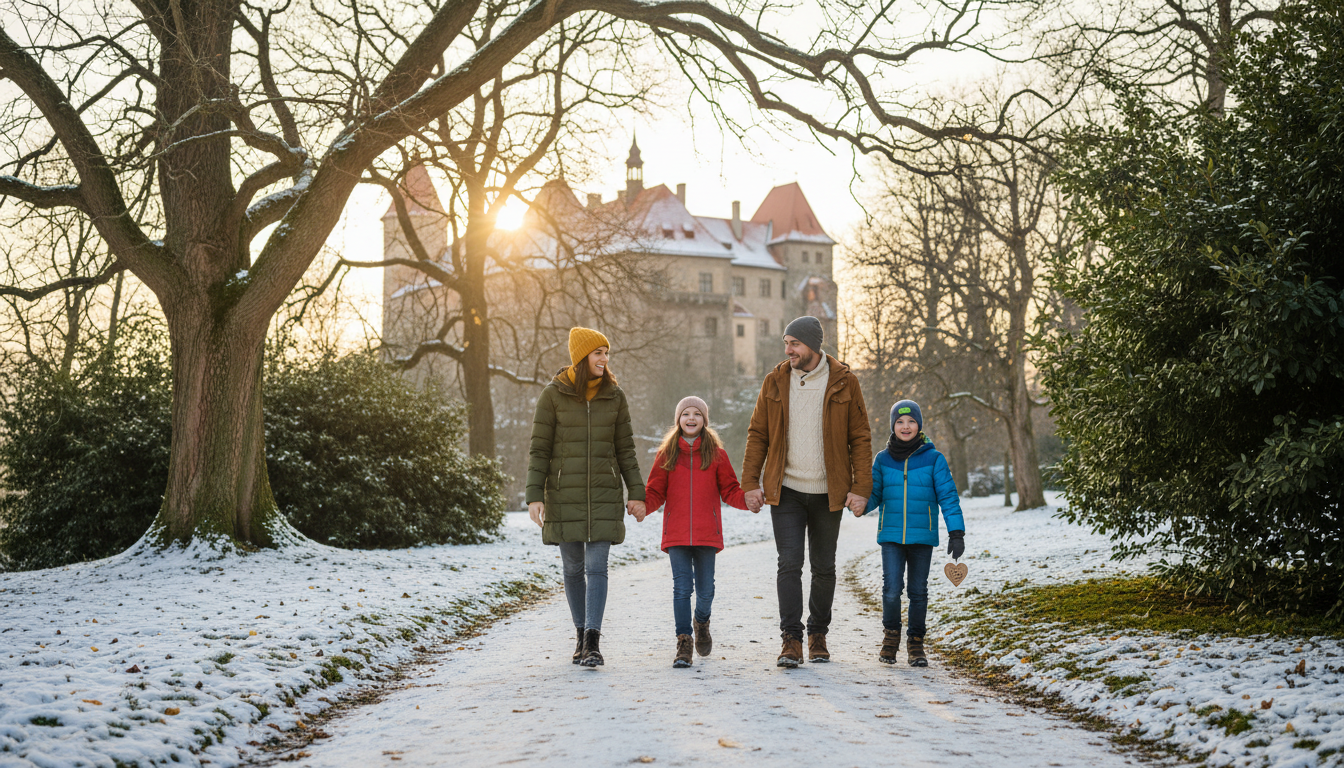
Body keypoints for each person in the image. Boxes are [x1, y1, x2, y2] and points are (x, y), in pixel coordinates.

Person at [741, 316, 872, 668]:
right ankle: (791, 639)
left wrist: (861, 488)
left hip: (829, 491)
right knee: (789, 564)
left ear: (813, 345)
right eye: (786, 343)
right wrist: (751, 483)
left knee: (824, 566)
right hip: (786, 491)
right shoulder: (775, 381)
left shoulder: (845, 382)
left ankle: (817, 634)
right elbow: (758, 434)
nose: (788, 350)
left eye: (794, 343)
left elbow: (860, 437)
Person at [526, 327, 646, 667]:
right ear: (582, 357)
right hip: (564, 494)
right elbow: (539, 449)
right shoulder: (553, 395)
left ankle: (593, 640)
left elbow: (626, 450)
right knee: (573, 568)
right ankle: (580, 634)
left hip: (605, 493)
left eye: (606, 353)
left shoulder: (614, 396)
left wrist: (636, 491)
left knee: (597, 567)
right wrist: (535, 495)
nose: (605, 359)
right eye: (598, 353)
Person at [857, 399, 965, 667]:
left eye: (911, 421)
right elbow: (874, 496)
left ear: (919, 425)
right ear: (893, 426)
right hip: (891, 536)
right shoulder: (882, 460)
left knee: (918, 591)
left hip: (922, 536)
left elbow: (948, 497)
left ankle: (916, 643)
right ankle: (891, 637)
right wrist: (855, 504)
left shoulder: (934, 459)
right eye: (900, 422)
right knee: (892, 589)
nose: (906, 426)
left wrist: (957, 532)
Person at [642, 396, 749, 668]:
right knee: (681, 588)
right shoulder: (666, 454)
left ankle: (701, 622)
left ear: (704, 420)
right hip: (676, 533)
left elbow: (730, 490)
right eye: (686, 414)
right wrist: (642, 505)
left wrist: (748, 501)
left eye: (697, 414)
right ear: (678, 420)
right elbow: (655, 491)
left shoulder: (717, 455)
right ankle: (684, 642)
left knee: (705, 591)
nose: (691, 418)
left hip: (706, 534)